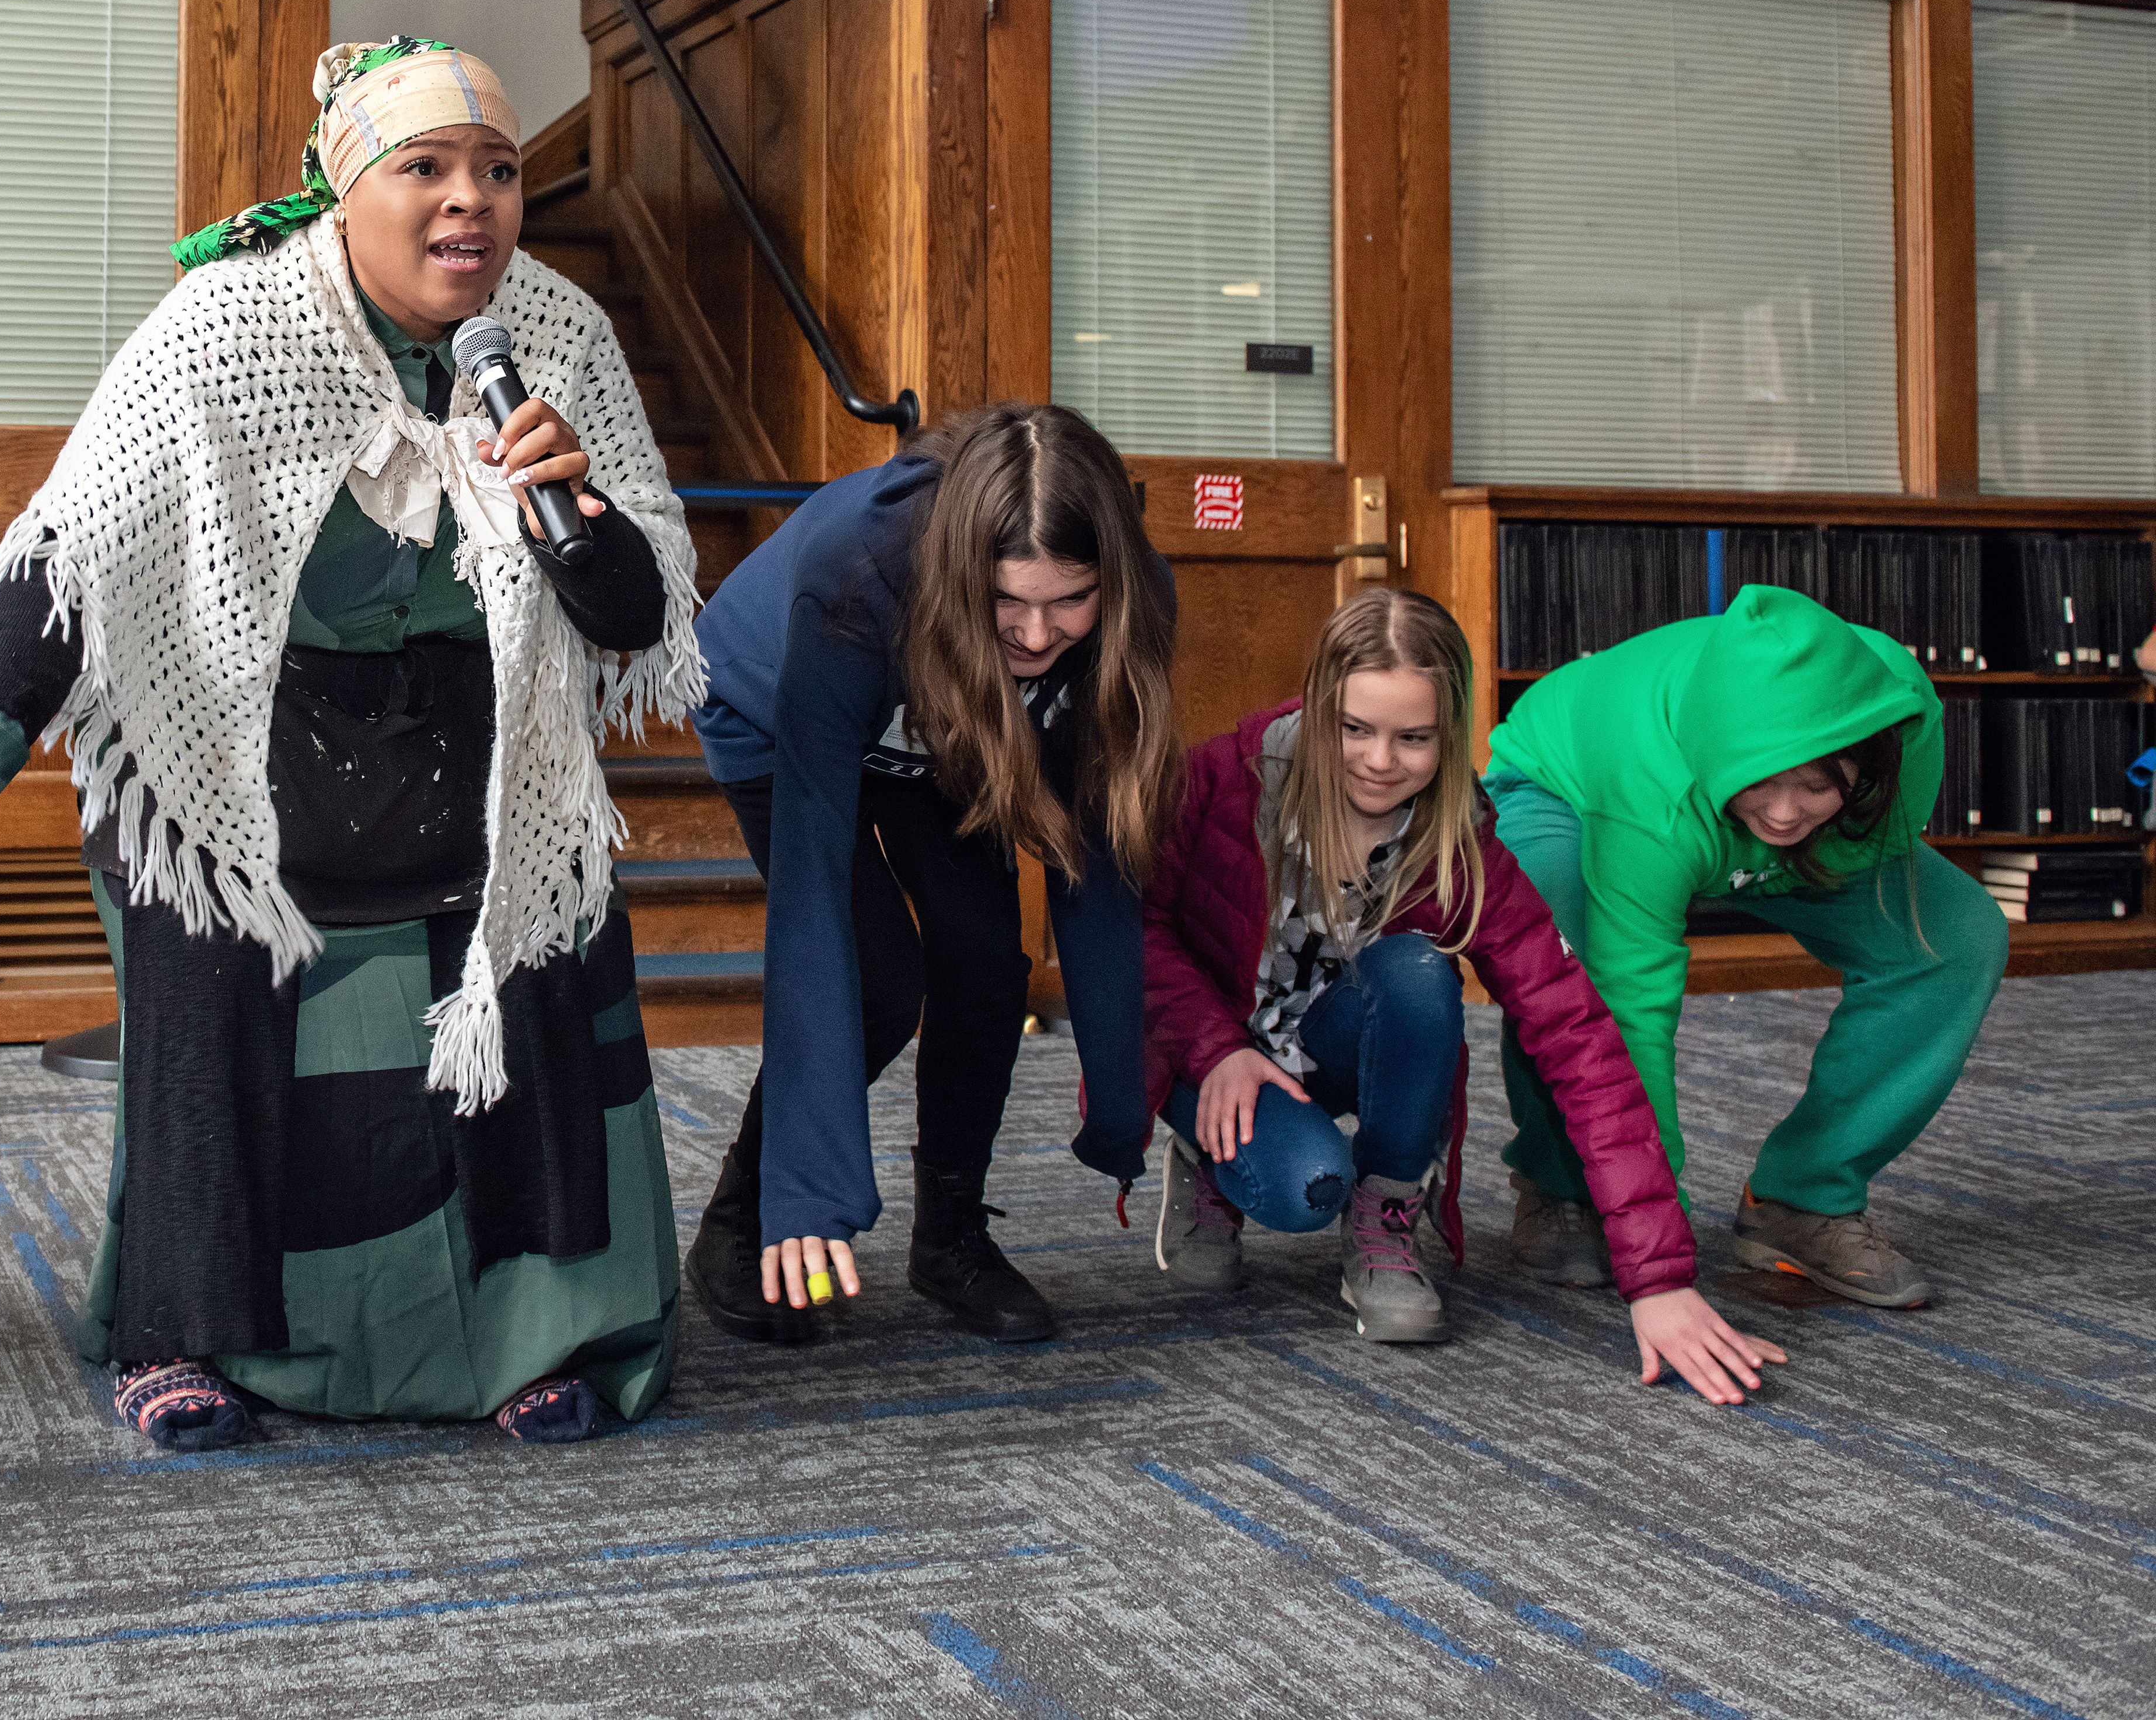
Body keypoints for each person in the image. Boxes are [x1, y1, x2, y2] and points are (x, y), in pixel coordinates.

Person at [0, 38, 699, 1452]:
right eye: (427, 169)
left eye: (500, 172)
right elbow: (71, 557)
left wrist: (576, 505)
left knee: (531, 1027)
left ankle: (529, 1337)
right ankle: (180, 1333)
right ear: (338, 182)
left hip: (480, 763)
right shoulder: (226, 328)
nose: (472, 204)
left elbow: (629, 614)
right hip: (236, 759)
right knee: (221, 1051)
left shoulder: (552, 335)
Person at [1142, 587, 1784, 1402]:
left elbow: (1578, 1039)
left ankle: (1387, 1211)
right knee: (1308, 1188)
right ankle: (1208, 1150)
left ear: (1450, 733)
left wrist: (1658, 1279)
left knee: (1418, 971)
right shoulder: (1224, 779)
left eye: (1414, 738)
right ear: (1319, 704)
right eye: (1355, 729)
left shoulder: (1463, 841)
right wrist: (1215, 1050)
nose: (1381, 761)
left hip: (1332, 1040)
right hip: (1217, 1043)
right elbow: (1138, 932)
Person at [684, 401, 1175, 1346]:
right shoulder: (859, 576)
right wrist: (808, 1186)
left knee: (990, 962)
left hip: (950, 722)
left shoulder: (1134, 595)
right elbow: (812, 896)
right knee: (875, 981)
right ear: (961, 570)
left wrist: (1121, 1096)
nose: (1037, 636)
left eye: (1068, 599)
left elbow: (1097, 856)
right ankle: (737, 1225)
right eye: (1010, 601)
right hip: (774, 710)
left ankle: (951, 1238)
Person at [1482, 582, 2005, 1310]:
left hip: (1720, 816)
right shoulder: (1651, 792)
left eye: (1818, 784)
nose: (1788, 811)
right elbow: (1635, 1014)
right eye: (1768, 781)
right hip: (1572, 785)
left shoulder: (1896, 715)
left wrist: (1769, 845)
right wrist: (1654, 1236)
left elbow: (1824, 819)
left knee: (1955, 936)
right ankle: (1564, 1183)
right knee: (1564, 951)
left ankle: (1802, 1200)